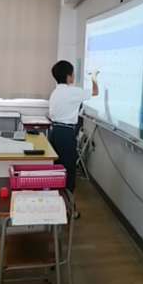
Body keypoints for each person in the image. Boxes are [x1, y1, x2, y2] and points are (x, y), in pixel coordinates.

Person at [49, 60, 99, 192]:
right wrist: (93, 78)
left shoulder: (55, 92)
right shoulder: (72, 92)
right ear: (68, 76)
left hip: (54, 132)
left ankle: (57, 197)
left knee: (57, 167)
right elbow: (95, 92)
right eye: (72, 74)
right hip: (66, 134)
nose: (74, 76)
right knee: (68, 168)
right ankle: (68, 201)